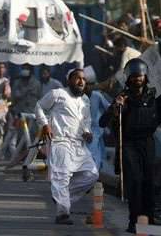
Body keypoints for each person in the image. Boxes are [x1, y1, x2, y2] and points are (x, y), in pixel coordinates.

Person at [99, 58, 161, 233]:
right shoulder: (122, 98)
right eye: (134, 76)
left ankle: (149, 221)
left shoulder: (153, 97)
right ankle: (134, 221)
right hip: (129, 144)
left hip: (147, 142)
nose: (137, 79)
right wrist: (115, 108)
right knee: (135, 182)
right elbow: (103, 122)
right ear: (129, 78)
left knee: (148, 182)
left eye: (141, 76)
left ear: (146, 77)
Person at [35, 68, 98, 225]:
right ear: (69, 80)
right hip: (60, 141)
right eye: (77, 78)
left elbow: (86, 121)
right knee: (61, 177)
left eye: (83, 79)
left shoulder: (85, 100)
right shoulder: (58, 94)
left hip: (79, 144)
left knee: (92, 174)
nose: (81, 81)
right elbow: (39, 107)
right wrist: (44, 125)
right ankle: (62, 214)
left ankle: (62, 197)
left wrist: (87, 132)